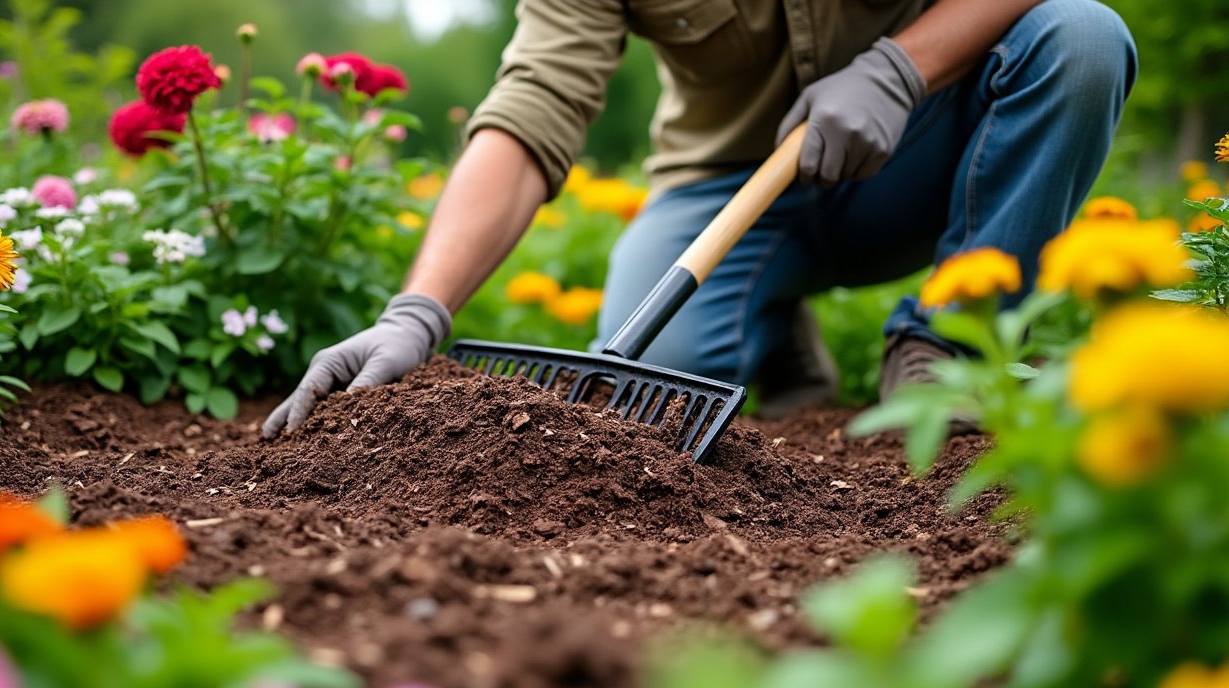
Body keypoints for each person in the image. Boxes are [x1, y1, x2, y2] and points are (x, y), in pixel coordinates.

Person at [263, 0, 1136, 438]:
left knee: (1083, 38)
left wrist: (902, 69)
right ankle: (773, 318)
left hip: (916, 150)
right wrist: (418, 310)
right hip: (727, 188)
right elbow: (534, 106)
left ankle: (945, 346)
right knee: (658, 382)